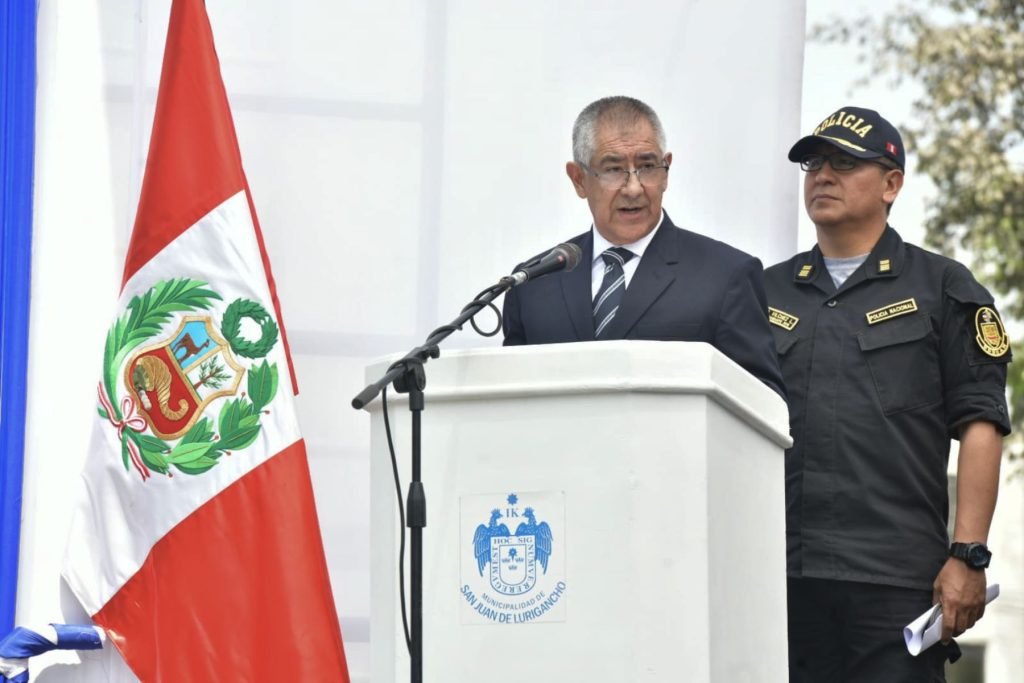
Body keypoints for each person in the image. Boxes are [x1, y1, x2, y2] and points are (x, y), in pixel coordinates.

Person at [764, 106, 1012, 681]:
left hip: (895, 581)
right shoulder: (766, 290)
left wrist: (968, 555)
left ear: (891, 184)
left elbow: (981, 423)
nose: (823, 176)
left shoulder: (943, 287)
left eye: (845, 163)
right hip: (781, 575)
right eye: (813, 164)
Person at [502, 95, 785, 398]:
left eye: (648, 166)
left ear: (666, 171)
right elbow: (509, 401)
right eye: (613, 169)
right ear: (579, 179)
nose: (634, 188)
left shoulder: (726, 276)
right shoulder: (533, 284)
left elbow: (764, 403)